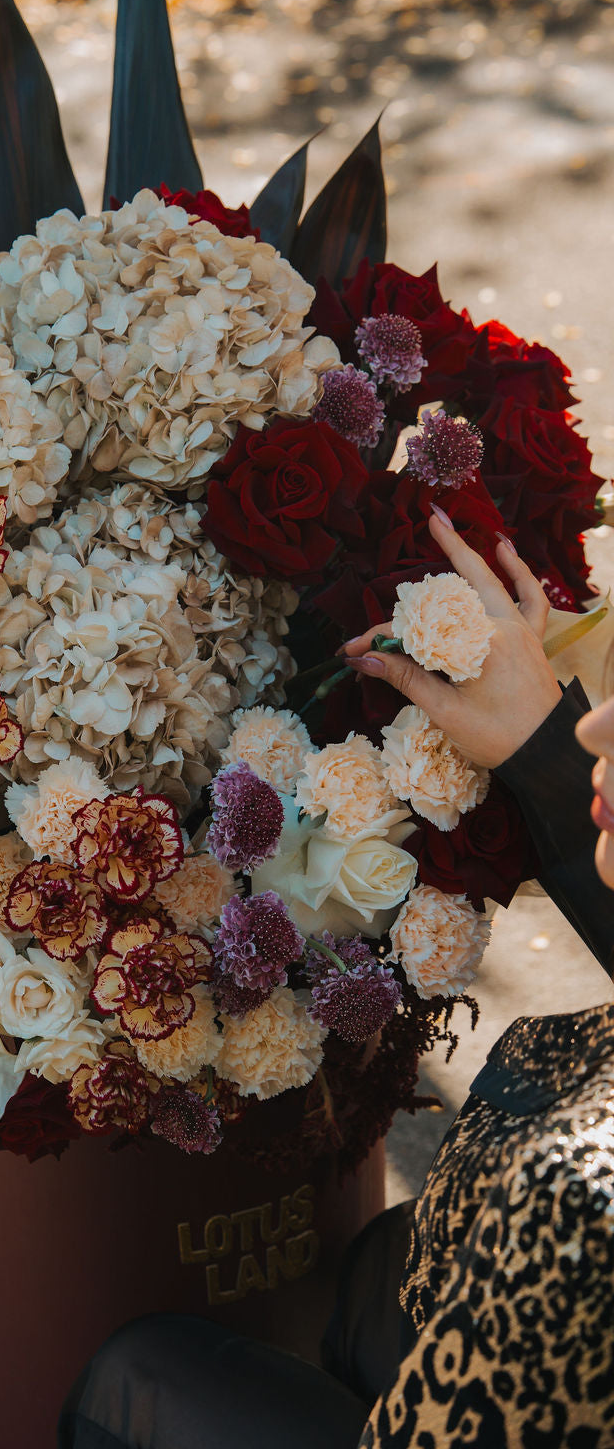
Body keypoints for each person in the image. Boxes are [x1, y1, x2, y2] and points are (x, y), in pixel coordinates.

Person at [58, 508, 614, 1449]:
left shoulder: (576, 1210)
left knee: (130, 1383)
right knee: (370, 1283)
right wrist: (541, 750)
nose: (600, 721)